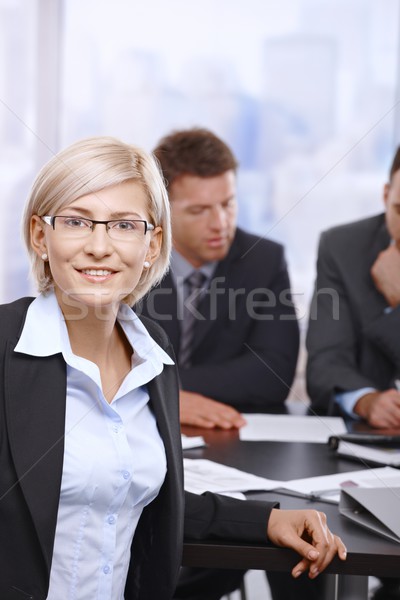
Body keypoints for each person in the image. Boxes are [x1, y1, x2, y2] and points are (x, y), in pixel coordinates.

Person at [0, 136, 346, 600]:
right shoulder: (7, 347)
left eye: (124, 225)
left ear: (151, 244)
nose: (100, 246)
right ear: (41, 236)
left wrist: (267, 518)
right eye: (77, 222)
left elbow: (145, 498)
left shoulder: (151, 354)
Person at [138, 127, 300, 430]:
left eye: (227, 204)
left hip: (228, 431)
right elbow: (100, 367)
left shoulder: (264, 260)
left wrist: (162, 387)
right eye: (199, 210)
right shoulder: (130, 259)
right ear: (160, 210)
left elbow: (272, 374)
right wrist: (165, 397)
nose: (220, 224)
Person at [306, 146, 400, 600]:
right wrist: (366, 400)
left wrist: (394, 306)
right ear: (385, 194)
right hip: (360, 457)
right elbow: (325, 363)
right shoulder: (342, 246)